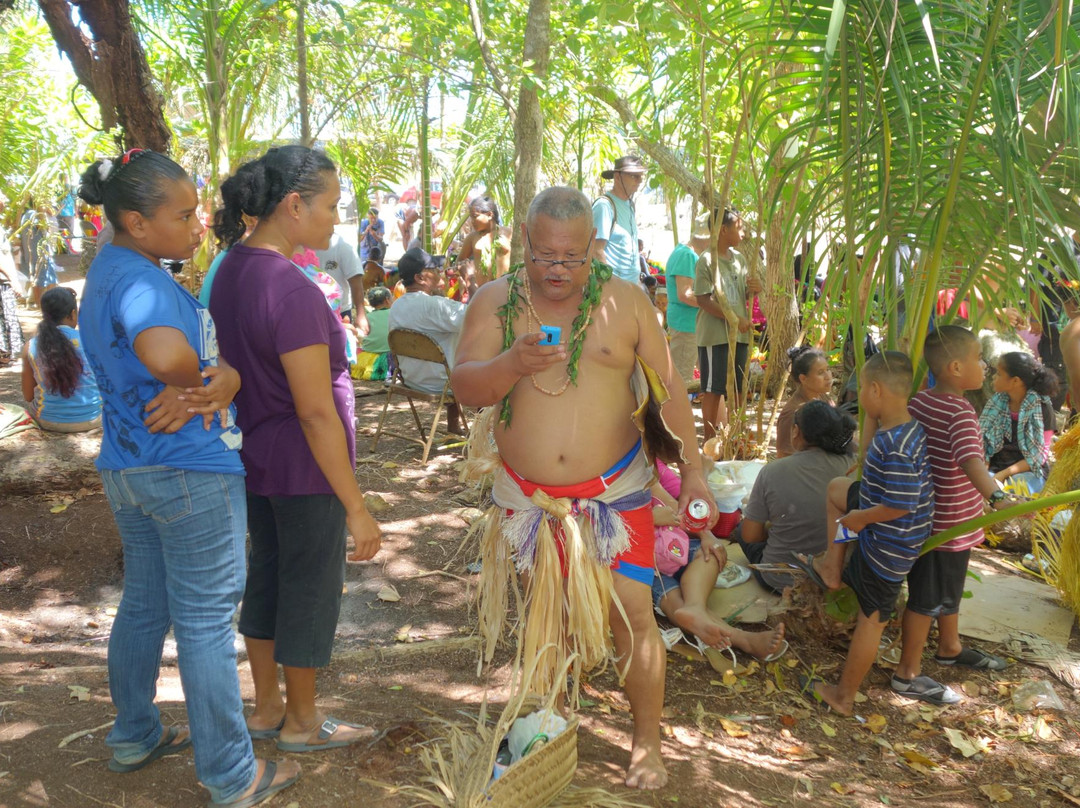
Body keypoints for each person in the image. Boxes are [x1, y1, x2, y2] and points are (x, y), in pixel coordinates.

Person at [452, 186, 716, 790]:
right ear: (525, 242)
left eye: (572, 258)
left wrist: (694, 469)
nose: (558, 271)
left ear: (593, 248)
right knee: (548, 620)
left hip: (615, 496)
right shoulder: (496, 300)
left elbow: (669, 388)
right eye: (545, 256)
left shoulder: (625, 303)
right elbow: (465, 385)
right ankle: (551, 725)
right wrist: (511, 366)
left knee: (632, 617)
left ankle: (646, 742)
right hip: (529, 501)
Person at [76, 148, 299, 806]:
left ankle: (135, 733)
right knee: (205, 618)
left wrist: (220, 377)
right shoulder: (141, 282)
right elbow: (165, 351)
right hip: (185, 470)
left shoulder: (111, 270)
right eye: (183, 214)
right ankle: (233, 775)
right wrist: (211, 378)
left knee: (147, 603)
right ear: (137, 222)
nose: (199, 224)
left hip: (131, 466)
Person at [211, 145, 383, 755]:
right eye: (331, 205)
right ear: (293, 205)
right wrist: (355, 505)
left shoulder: (231, 268)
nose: (336, 218)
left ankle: (267, 705)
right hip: (304, 465)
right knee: (308, 586)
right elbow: (315, 410)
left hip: (254, 455)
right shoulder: (290, 288)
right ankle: (304, 721)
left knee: (269, 575)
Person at [797, 352, 935, 715]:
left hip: (890, 542)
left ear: (875, 389)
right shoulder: (901, 426)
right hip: (878, 511)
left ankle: (843, 696)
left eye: (863, 390)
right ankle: (832, 567)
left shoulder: (898, 447)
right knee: (836, 489)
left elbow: (902, 503)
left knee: (871, 620)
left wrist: (862, 518)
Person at [898, 326, 1010, 704]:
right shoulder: (960, 411)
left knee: (946, 591)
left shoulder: (920, 402)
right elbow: (971, 462)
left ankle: (950, 646)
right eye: (980, 358)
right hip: (945, 525)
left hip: (933, 519)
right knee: (925, 599)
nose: (986, 365)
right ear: (956, 368)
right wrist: (997, 498)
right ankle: (907, 674)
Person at [651, 460, 787, 662]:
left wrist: (707, 536)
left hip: (673, 547)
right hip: (643, 563)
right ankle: (744, 640)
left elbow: (678, 509)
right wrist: (649, 519)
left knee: (711, 553)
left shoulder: (649, 467)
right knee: (673, 600)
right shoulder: (603, 472)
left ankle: (694, 607)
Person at [737, 400, 855, 592]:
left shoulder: (773, 471)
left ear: (796, 431)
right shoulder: (853, 466)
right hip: (842, 576)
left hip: (781, 578)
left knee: (743, 528)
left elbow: (750, 536)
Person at [693, 208, 761, 439]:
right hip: (715, 336)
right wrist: (734, 318)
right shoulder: (707, 261)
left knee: (738, 387)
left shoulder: (740, 260)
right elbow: (703, 299)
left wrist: (754, 290)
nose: (743, 233)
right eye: (739, 227)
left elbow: (742, 296)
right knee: (713, 389)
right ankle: (711, 442)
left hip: (739, 334)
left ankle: (736, 437)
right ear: (723, 230)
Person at [387, 247, 468, 434]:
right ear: (420, 278)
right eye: (434, 269)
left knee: (451, 351)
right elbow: (477, 315)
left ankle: (454, 427)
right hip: (442, 383)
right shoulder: (434, 306)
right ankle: (484, 436)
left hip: (411, 378)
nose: (439, 272)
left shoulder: (397, 305)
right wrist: (469, 280)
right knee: (483, 364)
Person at [20, 286, 101, 432]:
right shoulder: (92, 341)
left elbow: (28, 395)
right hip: (94, 418)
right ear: (73, 314)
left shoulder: (31, 346)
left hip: (49, 421)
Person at [979, 351, 1058, 494]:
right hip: (996, 468)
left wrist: (1003, 475)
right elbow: (984, 444)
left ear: (1015, 381)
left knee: (1019, 486)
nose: (994, 377)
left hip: (1028, 472)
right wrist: (984, 474)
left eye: (999, 374)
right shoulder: (996, 403)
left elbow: (1038, 457)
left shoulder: (1042, 409)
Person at [663, 220, 710, 386]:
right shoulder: (686, 255)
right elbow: (685, 294)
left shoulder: (689, 254)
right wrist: (712, 304)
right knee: (682, 380)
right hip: (686, 326)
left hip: (692, 326)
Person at [592, 154, 645, 284]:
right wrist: (612, 287)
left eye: (641, 176)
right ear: (617, 177)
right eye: (634, 176)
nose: (639, 181)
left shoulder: (630, 205)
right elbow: (596, 251)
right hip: (614, 291)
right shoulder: (604, 206)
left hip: (633, 287)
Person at [775, 346, 834, 458]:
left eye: (828, 369)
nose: (828, 376)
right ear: (803, 378)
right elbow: (783, 458)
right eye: (821, 372)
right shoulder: (792, 413)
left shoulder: (825, 399)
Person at [316, 232, 368, 332]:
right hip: (311, 312)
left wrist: (361, 315)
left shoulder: (341, 246)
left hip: (340, 313)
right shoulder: (301, 244)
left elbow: (355, 281)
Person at [458, 195, 510, 289]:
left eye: (475, 216)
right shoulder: (472, 238)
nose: (472, 221)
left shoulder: (508, 233)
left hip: (506, 291)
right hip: (481, 292)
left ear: (489, 215)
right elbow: (460, 261)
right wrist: (470, 282)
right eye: (471, 217)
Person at [353, 286, 392, 381]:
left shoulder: (365, 318)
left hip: (368, 357)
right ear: (387, 300)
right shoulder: (393, 313)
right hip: (389, 356)